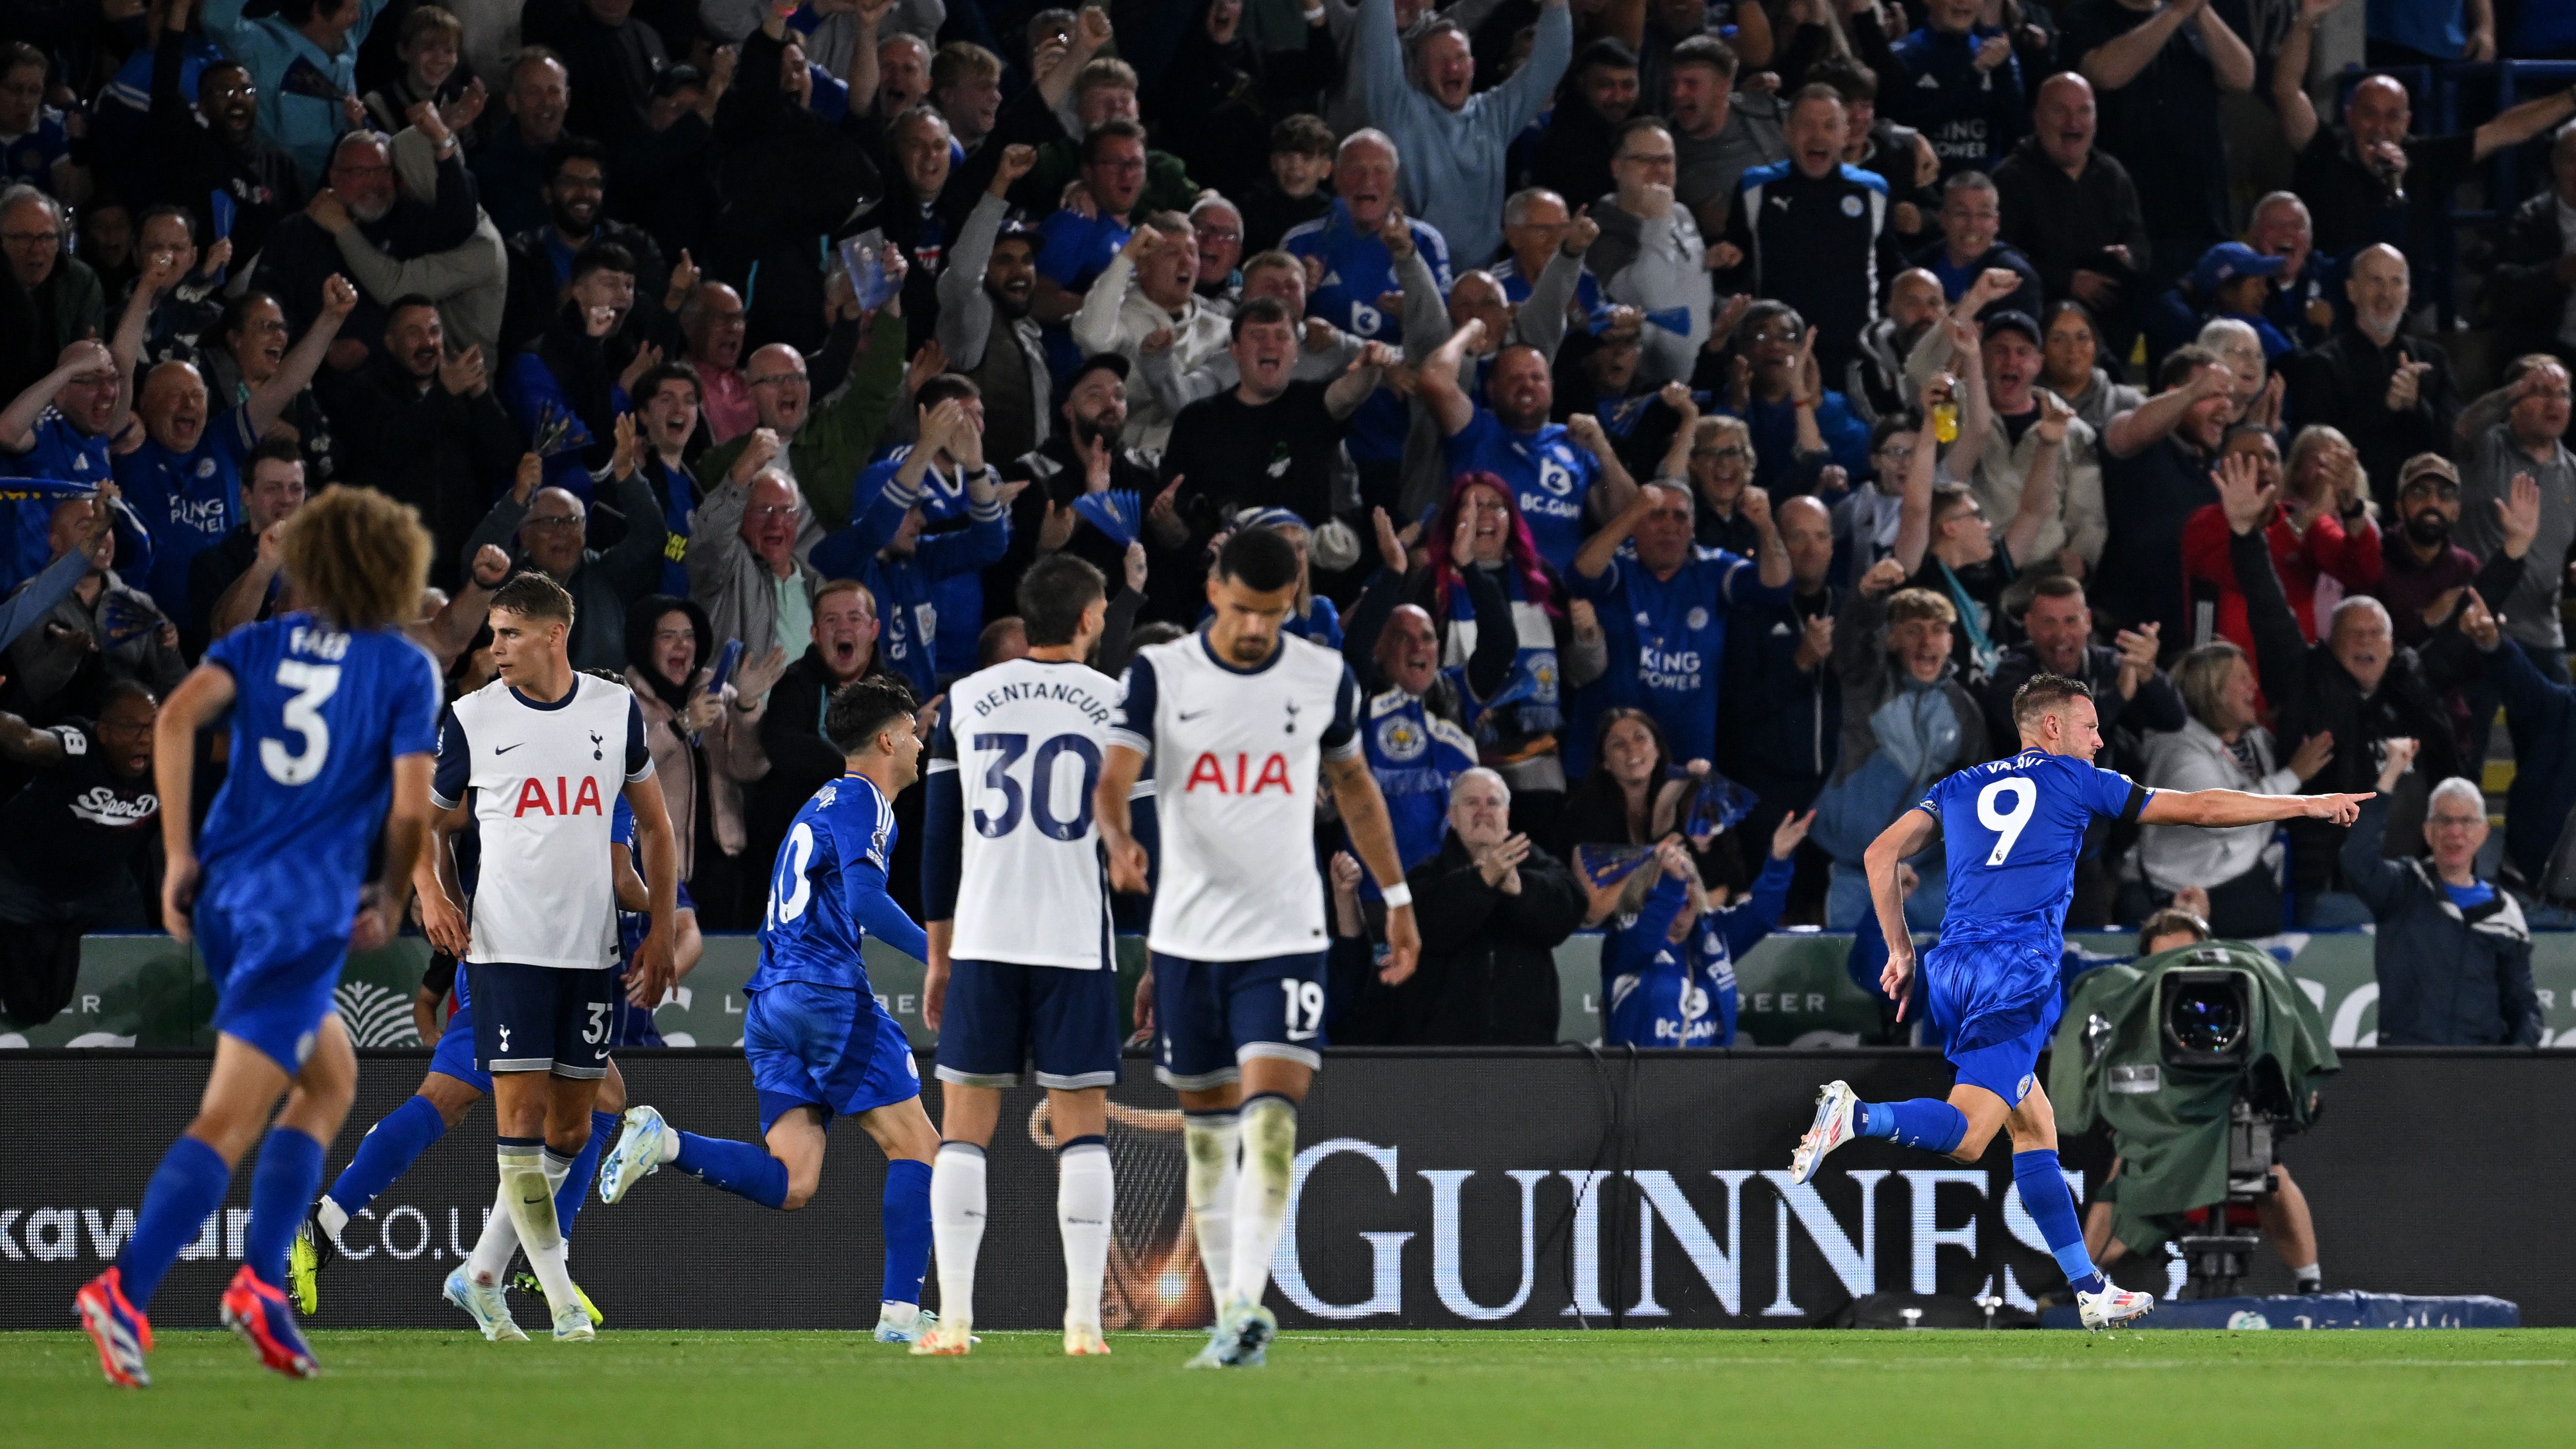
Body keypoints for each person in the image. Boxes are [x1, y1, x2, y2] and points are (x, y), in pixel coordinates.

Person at [1790, 672, 2370, 1331]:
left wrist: (1900, 949)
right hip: (2017, 968)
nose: (2098, 740)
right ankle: (1859, 1117)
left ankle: (2090, 1288)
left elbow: (1878, 853)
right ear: (2050, 729)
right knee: (1971, 1136)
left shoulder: (1959, 785)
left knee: (2031, 1127)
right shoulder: (2073, 780)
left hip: (1953, 966)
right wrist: (2303, 806)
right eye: (2089, 727)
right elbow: (2203, 810)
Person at [77, 484, 440, 1387]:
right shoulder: (403, 669)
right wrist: (391, 897)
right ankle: (125, 1289)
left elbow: (173, 715)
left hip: (232, 897)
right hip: (301, 912)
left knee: (331, 1076)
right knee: (231, 1118)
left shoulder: (260, 643)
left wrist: (174, 857)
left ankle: (261, 1284)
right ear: (394, 570)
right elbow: (407, 812)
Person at [1093, 527, 1420, 1369]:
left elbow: (1355, 789)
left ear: (1291, 603)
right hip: (1188, 936)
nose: (1252, 629)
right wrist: (1118, 836)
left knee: (1269, 1113)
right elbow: (1113, 772)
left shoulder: (1320, 676)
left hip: (1285, 931)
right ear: (1213, 590)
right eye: (1241, 610)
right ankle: (1225, 1309)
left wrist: (1397, 897)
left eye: (1270, 615)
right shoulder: (1160, 675)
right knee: (1207, 1131)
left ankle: (1243, 1309)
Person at [595, 673, 944, 1347]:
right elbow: (868, 903)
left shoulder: (821, 801)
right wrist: (940, 956)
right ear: (886, 738)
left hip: (773, 1004)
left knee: (793, 1183)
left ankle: (664, 1141)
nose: (920, 744)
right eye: (912, 731)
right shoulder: (865, 800)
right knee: (921, 1147)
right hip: (824, 996)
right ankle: (902, 1316)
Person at [417, 571, 679, 1345]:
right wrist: (432, 895)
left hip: (590, 951)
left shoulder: (613, 709)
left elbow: (657, 830)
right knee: (521, 1125)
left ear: (553, 635)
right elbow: (421, 826)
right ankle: (563, 1301)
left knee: (572, 1129)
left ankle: (480, 1274)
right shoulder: (471, 718)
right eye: (492, 634)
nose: (493, 647)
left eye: (508, 634)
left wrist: (662, 930)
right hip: (506, 950)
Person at [292, 836, 647, 1319]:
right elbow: (434, 815)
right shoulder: (598, 771)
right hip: (518, 954)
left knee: (602, 1098)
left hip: (549, 955)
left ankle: (546, 1262)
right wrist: (437, 893)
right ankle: (323, 1223)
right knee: (451, 1100)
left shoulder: (596, 774)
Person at [909, 553, 1122, 1356]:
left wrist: (940, 956)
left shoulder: (966, 700)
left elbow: (938, 844)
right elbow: (1144, 840)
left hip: (986, 939)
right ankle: (1083, 1324)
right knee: (1082, 1131)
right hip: (1074, 940)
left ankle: (956, 1321)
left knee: (963, 1132)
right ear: (1091, 617)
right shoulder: (1116, 702)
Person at [1570, 478, 1787, 765]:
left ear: (1693, 528)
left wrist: (1765, 525)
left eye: (1680, 516)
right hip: (1610, 759)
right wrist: (1630, 513)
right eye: (1656, 515)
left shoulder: (1713, 568)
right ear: (1636, 525)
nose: (1669, 526)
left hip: (1686, 757)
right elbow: (1580, 575)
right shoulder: (1620, 566)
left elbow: (1777, 589)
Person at [2345, 744, 2540, 1047]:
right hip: (2408, 1068)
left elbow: (2524, 1007)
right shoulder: (2401, 889)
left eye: (2467, 822)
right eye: (2445, 821)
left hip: (2478, 1072)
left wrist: (2510, 1072)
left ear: (2484, 834)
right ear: (2428, 833)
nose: (2455, 832)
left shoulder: (2505, 913)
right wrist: (2391, 773)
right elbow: (2356, 860)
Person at [2137, 641, 2331, 935]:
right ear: (2213, 691)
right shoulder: (2179, 752)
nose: (2253, 687)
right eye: (2241, 678)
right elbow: (2220, 816)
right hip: (2187, 895)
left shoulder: (2255, 741)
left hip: (2244, 882)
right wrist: (2293, 775)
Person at [0, 681, 162, 1027]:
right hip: (21, 881)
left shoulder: (172, 751)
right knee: (25, 991)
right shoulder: (78, 744)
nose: (147, 737)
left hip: (104, 888)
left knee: (145, 966)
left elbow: (230, 746)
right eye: (133, 727)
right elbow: (23, 738)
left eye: (155, 724)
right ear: (103, 732)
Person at [2059, 0, 2251, 289]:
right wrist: (2173, 13)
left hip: (2202, 216)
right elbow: (2105, 73)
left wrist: (2198, 10)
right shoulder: (2085, 15)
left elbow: (2242, 77)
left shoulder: (2197, 20)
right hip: (2130, 226)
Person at [1715, 86, 1901, 383]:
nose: (1818, 136)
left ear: (1845, 134)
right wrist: (1726, 260)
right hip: (1777, 355)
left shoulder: (1873, 190)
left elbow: (1891, 268)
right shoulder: (1755, 187)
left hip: (1854, 354)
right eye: (1806, 125)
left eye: (1829, 125)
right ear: (1787, 131)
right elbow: (1736, 270)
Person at [1407, 767, 1585, 1045]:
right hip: (1442, 1047)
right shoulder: (1427, 875)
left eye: (1493, 803)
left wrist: (1520, 888)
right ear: (1452, 817)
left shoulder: (1541, 867)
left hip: (1527, 1045)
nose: (1483, 811)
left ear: (1507, 816)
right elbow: (1429, 929)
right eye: (1471, 803)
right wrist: (1482, 881)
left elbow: (1568, 913)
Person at [2281, 244, 2458, 511]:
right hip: (2349, 516)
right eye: (2376, 282)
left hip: (2423, 517)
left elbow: (2455, 445)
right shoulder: (2321, 365)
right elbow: (2319, 457)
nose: (2386, 294)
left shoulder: (2433, 360)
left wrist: (2417, 406)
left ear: (2407, 294)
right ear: (2352, 291)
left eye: (2395, 282)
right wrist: (2385, 407)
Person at [1603, 819, 1805, 1048]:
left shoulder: (1714, 933)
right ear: (1644, 895)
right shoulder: (1623, 942)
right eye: (1670, 882)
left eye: (1688, 880)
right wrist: (1673, 886)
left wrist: (1779, 859)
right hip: (1642, 1079)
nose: (1683, 889)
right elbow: (1647, 938)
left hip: (1711, 1078)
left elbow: (1762, 914)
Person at [1994, 73, 2147, 346]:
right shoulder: (2010, 178)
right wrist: (2067, 281)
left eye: (2083, 111)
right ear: (2037, 117)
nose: (2073, 123)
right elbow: (2001, 258)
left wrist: (2128, 256)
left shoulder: (2112, 174)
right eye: (2060, 111)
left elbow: (2139, 242)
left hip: (2106, 319)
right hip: (2038, 317)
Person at [2453, 356, 2576, 679]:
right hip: (2479, 627)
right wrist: (2512, 391)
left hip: (2543, 633)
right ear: (2514, 403)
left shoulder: (2574, 472)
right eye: (2540, 391)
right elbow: (2464, 430)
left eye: (2563, 393)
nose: (2555, 402)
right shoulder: (2488, 448)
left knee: (2558, 729)